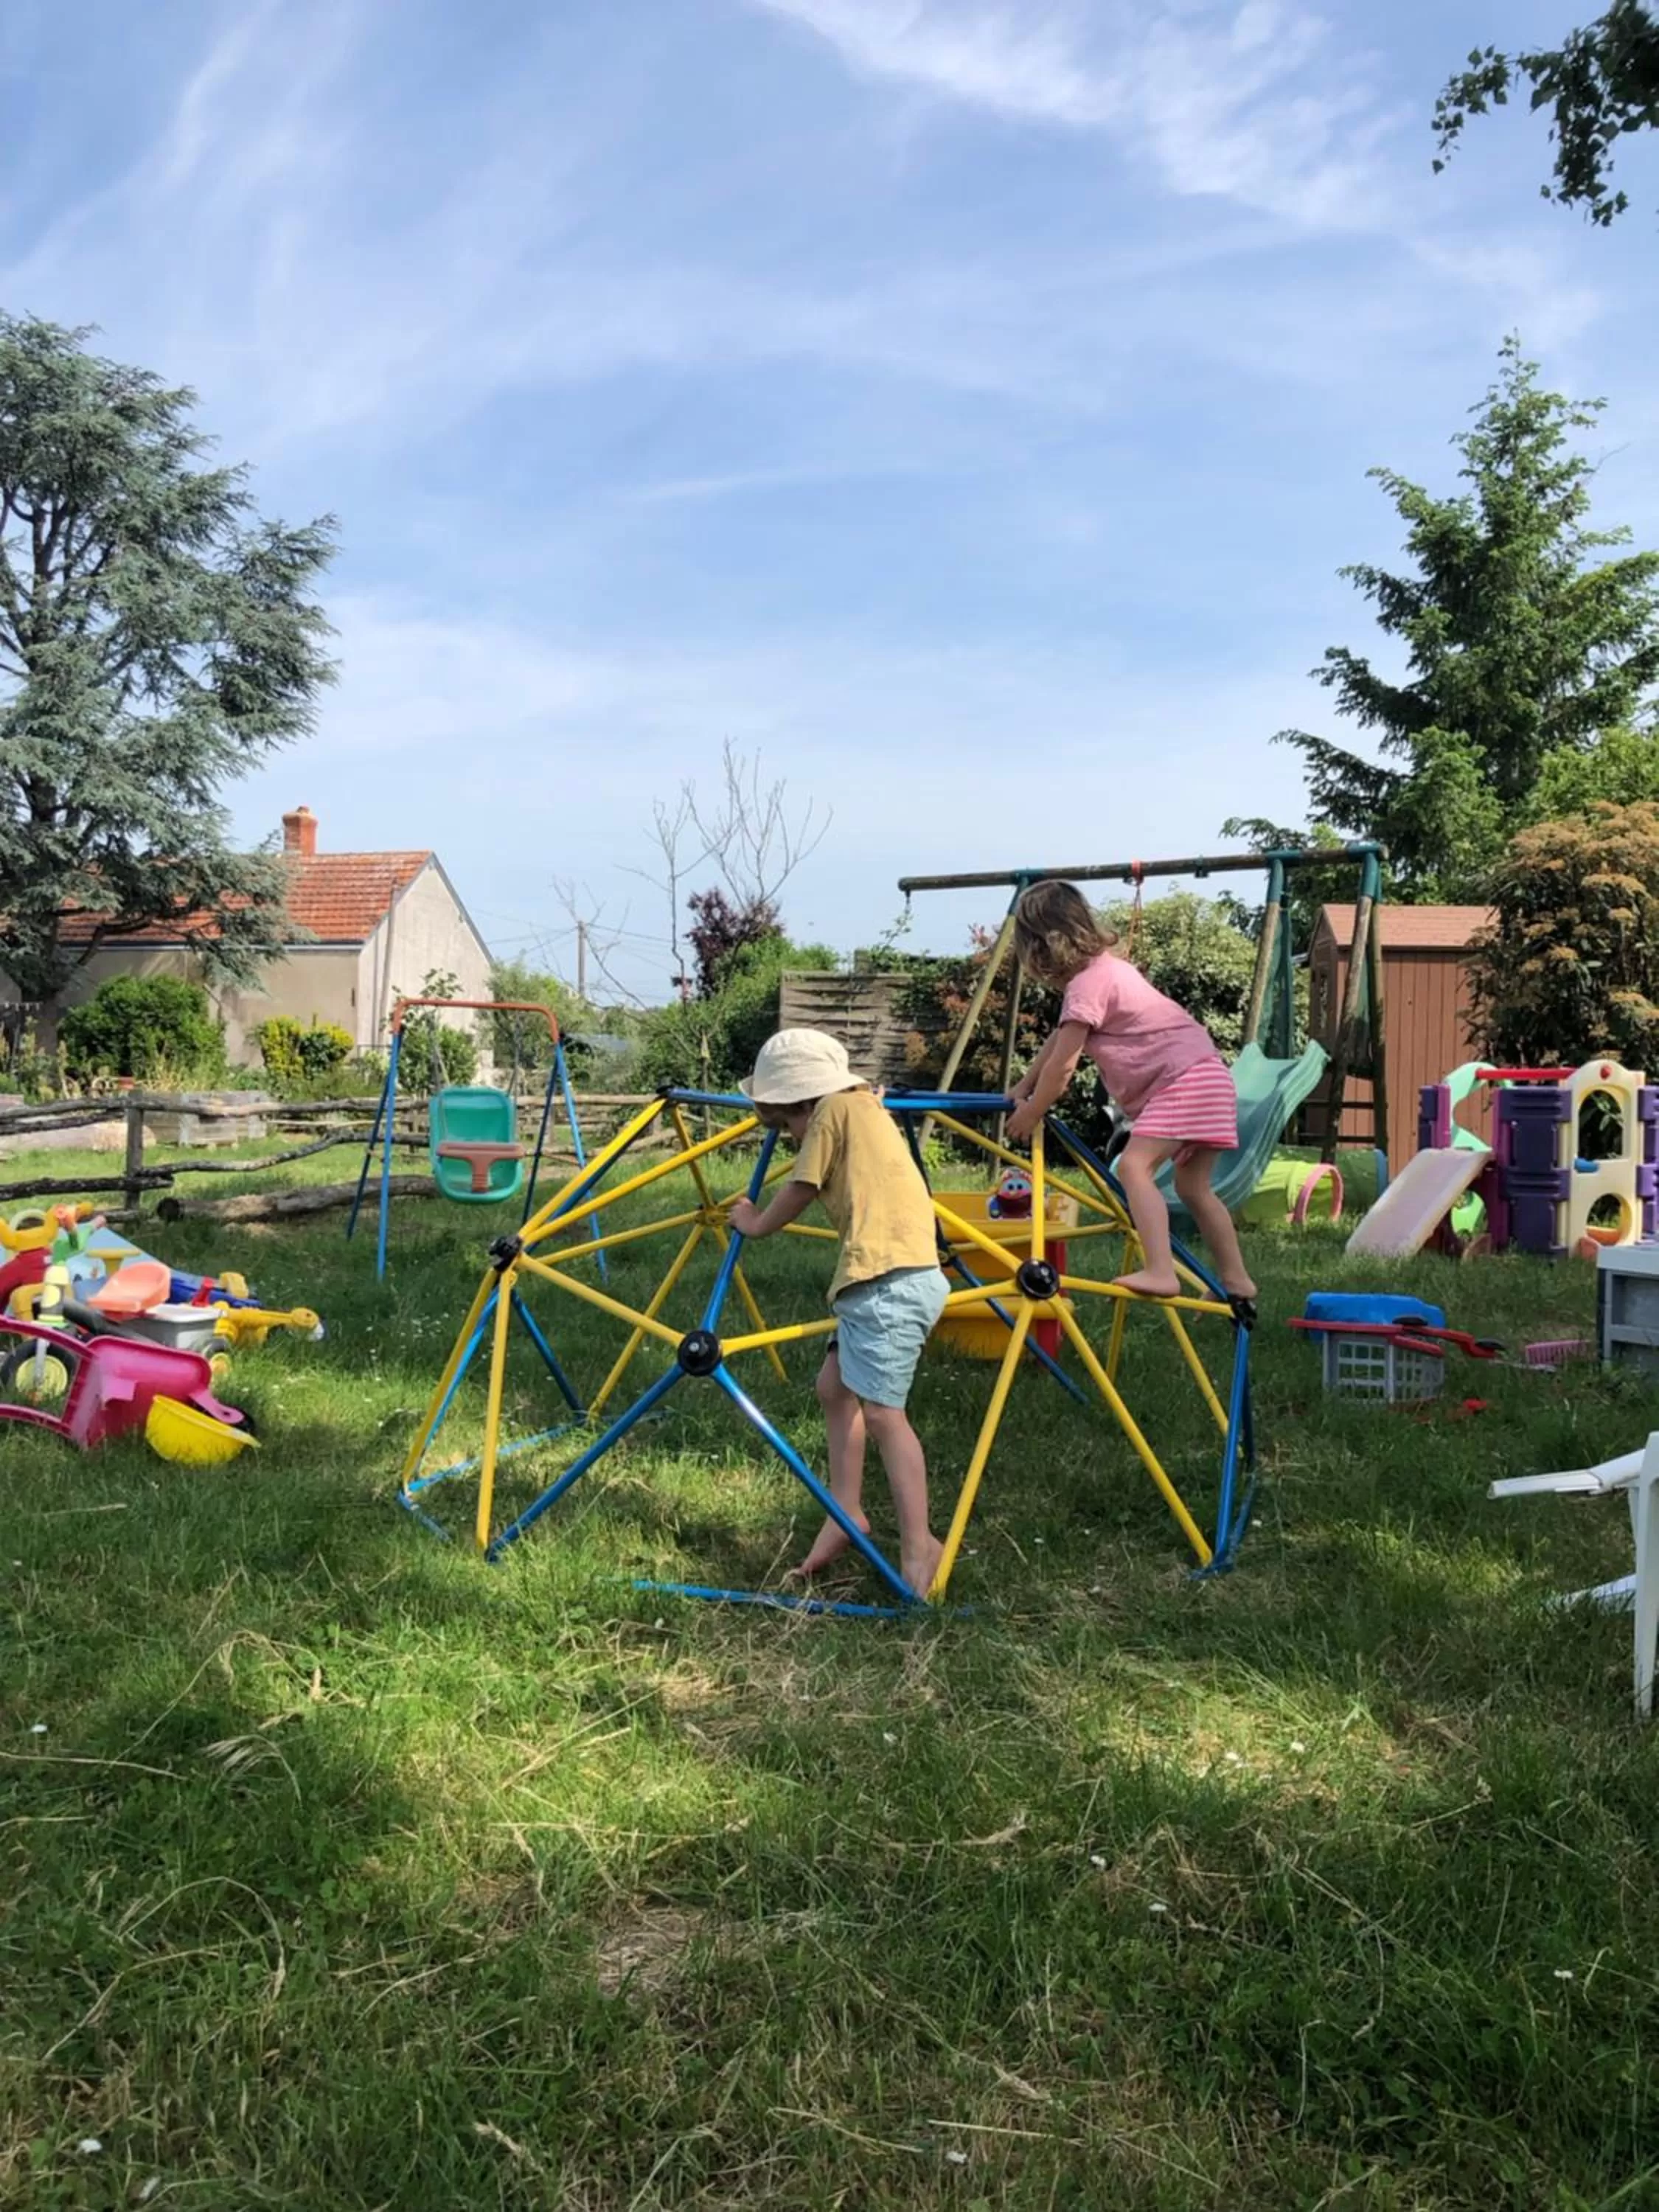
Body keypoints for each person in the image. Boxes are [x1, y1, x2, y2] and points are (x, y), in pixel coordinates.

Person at [728, 1029, 949, 1598]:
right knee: (834, 1389)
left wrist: (755, 1223)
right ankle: (845, 1510)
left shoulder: (829, 1113)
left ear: (800, 1099)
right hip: (881, 1278)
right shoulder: (865, 1107)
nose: (792, 1135)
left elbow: (803, 1185)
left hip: (888, 1282)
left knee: (883, 1417)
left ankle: (921, 1544)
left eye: (785, 1123)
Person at [1004, 880, 1256, 1305]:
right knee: (1195, 1188)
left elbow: (1064, 1067)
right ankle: (1237, 1281)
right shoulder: (1108, 971)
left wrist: (1032, 1112)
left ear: (1044, 946)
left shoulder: (1088, 984)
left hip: (1184, 1082)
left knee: (1134, 1167)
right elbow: (1058, 1042)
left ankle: (1161, 1271)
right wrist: (1026, 1084)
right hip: (1210, 1076)